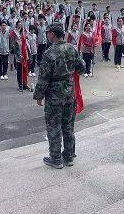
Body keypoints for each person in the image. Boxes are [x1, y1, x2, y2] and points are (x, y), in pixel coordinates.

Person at [33, 22, 85, 169]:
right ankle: (68, 156)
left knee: (54, 125)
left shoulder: (49, 53)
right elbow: (82, 68)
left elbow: (43, 77)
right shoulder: (72, 48)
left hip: (54, 94)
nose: (47, 35)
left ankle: (55, 158)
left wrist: (39, 95)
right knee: (68, 125)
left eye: (48, 32)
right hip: (69, 92)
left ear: (52, 34)